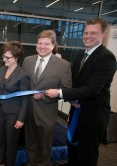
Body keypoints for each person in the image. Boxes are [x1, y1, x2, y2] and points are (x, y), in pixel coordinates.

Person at [45, 18, 117, 166]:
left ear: (103, 35)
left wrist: (60, 93)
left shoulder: (106, 57)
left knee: (86, 154)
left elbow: (92, 89)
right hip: (76, 110)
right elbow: (74, 83)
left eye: (93, 33)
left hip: (93, 115)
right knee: (72, 145)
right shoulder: (80, 56)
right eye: (85, 32)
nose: (87, 36)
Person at [22, 30, 72, 166]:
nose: (42, 46)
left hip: (47, 113)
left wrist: (46, 95)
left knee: (44, 148)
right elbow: (22, 83)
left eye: (46, 44)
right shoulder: (27, 61)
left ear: (53, 45)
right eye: (39, 43)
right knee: (30, 143)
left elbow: (66, 89)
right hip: (28, 111)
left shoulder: (63, 65)